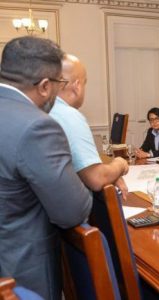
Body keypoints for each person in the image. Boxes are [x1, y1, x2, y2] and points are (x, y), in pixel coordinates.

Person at [0, 37, 92, 299]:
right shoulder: (38, 126)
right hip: (21, 271)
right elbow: (72, 211)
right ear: (43, 86)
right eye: (57, 85)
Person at [49, 54, 129, 197]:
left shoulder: (45, 108)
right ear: (77, 86)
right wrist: (120, 165)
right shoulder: (69, 116)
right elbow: (96, 178)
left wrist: (111, 174)